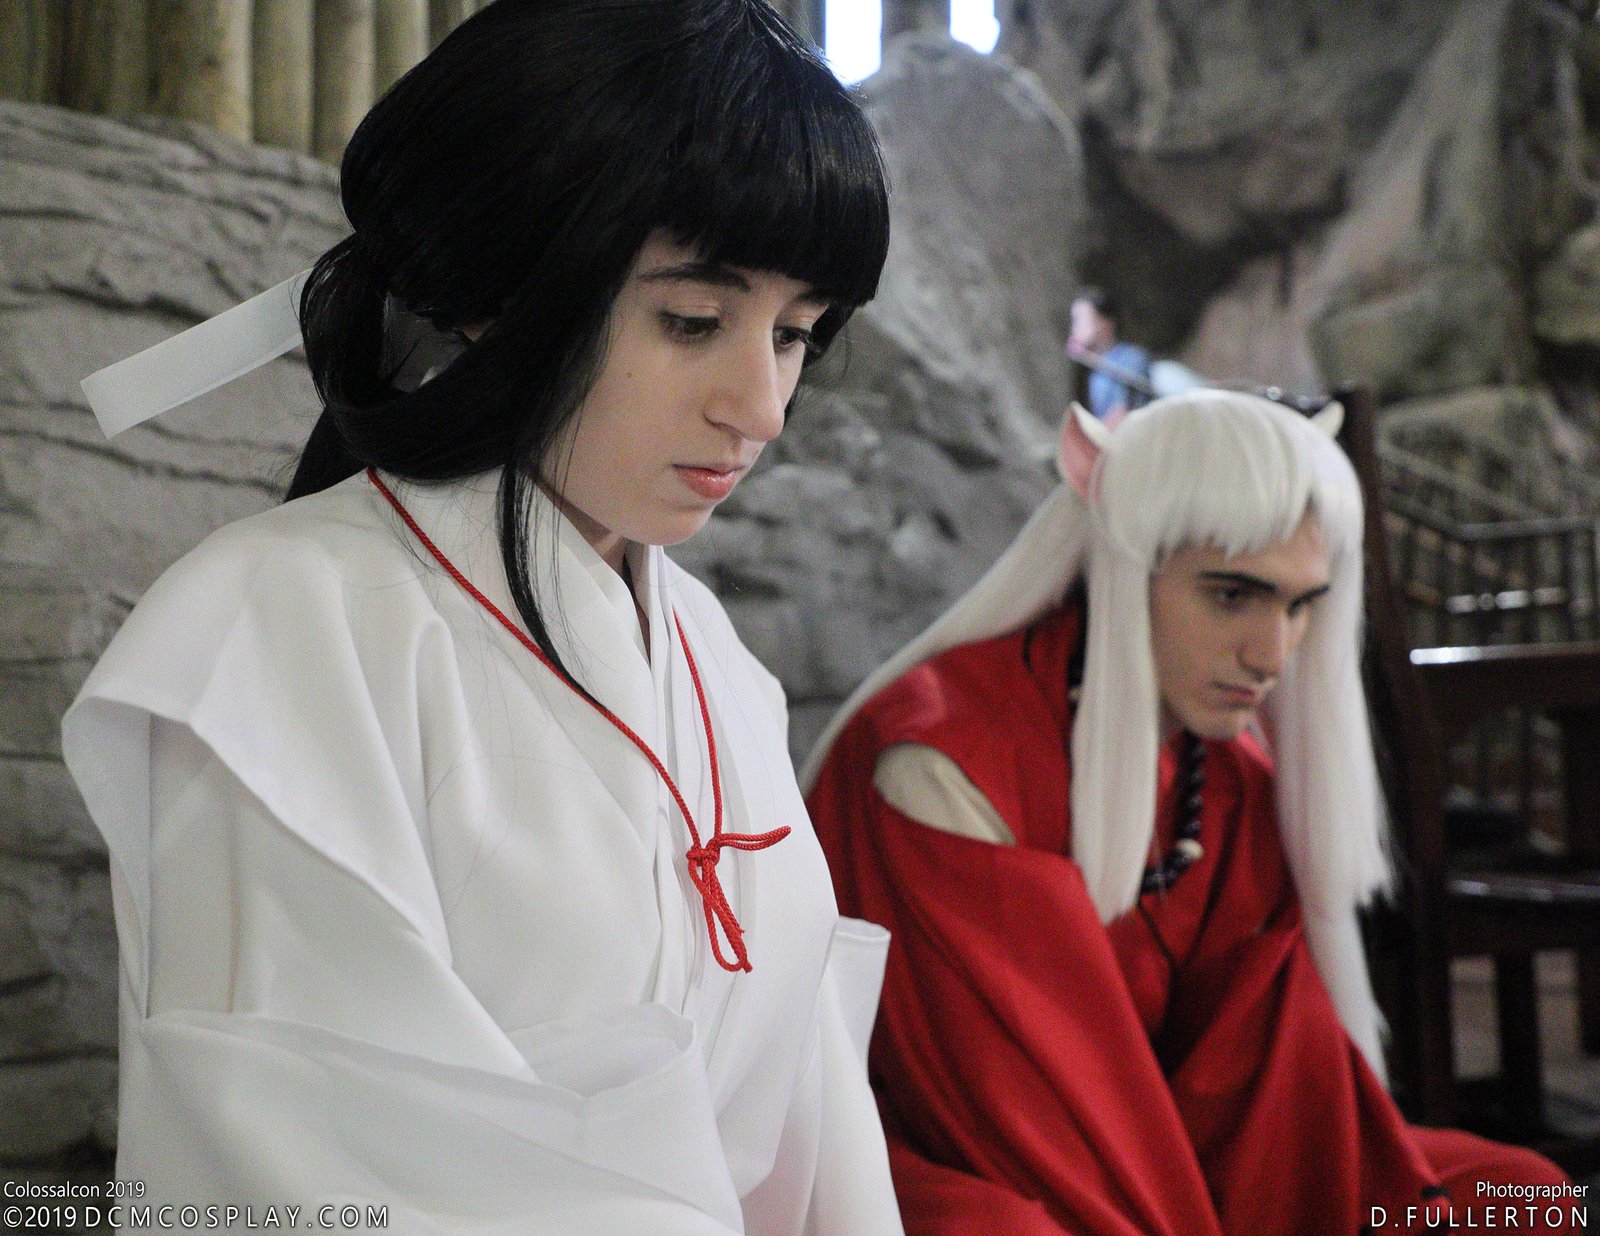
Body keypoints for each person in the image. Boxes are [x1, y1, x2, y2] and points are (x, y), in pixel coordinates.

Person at [61, 2, 904, 1231]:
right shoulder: (268, 635)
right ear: (496, 291)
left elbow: (816, 1111)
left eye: (794, 335)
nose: (762, 407)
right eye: (692, 321)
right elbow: (309, 1164)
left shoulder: (722, 668)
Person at [803, 392, 1572, 1235]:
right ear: (1127, 569)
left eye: (1300, 605)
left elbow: (1264, 1078)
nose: (1273, 654)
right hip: (960, 1167)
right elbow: (1022, 1118)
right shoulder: (946, 761)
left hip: (1162, 1149)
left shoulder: (1229, 774)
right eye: (1233, 595)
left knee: (1524, 1195)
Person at [1068, 286, 1152, 424]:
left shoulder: (1131, 357)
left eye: (1081, 320)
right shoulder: (1093, 371)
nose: (1074, 328)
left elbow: (1120, 414)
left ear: (1104, 323)